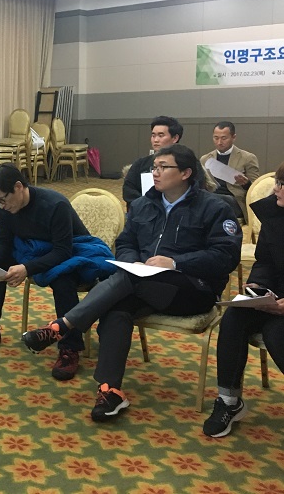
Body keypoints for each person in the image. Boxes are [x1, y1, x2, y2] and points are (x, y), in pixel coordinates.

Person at [23, 145, 241, 422]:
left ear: (186, 173)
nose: (156, 173)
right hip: (143, 284)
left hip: (193, 290)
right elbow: (125, 243)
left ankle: (61, 326)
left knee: (123, 282)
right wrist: (132, 261)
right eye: (154, 167)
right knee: (117, 308)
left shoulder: (214, 208)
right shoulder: (142, 204)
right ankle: (110, 391)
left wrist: (176, 263)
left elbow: (225, 256)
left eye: (164, 167)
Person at [0, 164, 115, 381]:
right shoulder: (6, 208)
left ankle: (69, 348)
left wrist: (27, 268)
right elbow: (3, 240)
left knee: (63, 278)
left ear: (18, 187)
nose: (1, 206)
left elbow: (62, 251)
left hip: (69, 253)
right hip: (31, 249)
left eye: (2, 200)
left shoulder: (55, 205)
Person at [203, 162, 284, 438]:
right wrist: (257, 285)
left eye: (281, 184)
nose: (275, 189)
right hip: (275, 296)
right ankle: (229, 401)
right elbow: (265, 262)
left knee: (275, 334)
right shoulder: (275, 215)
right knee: (234, 316)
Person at [122, 116, 213, 210]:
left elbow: (197, 190)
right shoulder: (141, 163)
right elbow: (129, 191)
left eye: (161, 135)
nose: (155, 140)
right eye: (153, 135)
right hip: (145, 211)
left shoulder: (188, 162)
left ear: (175, 138)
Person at [200, 121, 260, 222]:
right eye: (216, 138)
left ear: (233, 137)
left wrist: (246, 184)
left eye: (224, 138)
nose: (219, 142)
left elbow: (256, 188)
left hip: (234, 200)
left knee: (218, 200)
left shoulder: (247, 158)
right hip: (212, 197)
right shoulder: (205, 159)